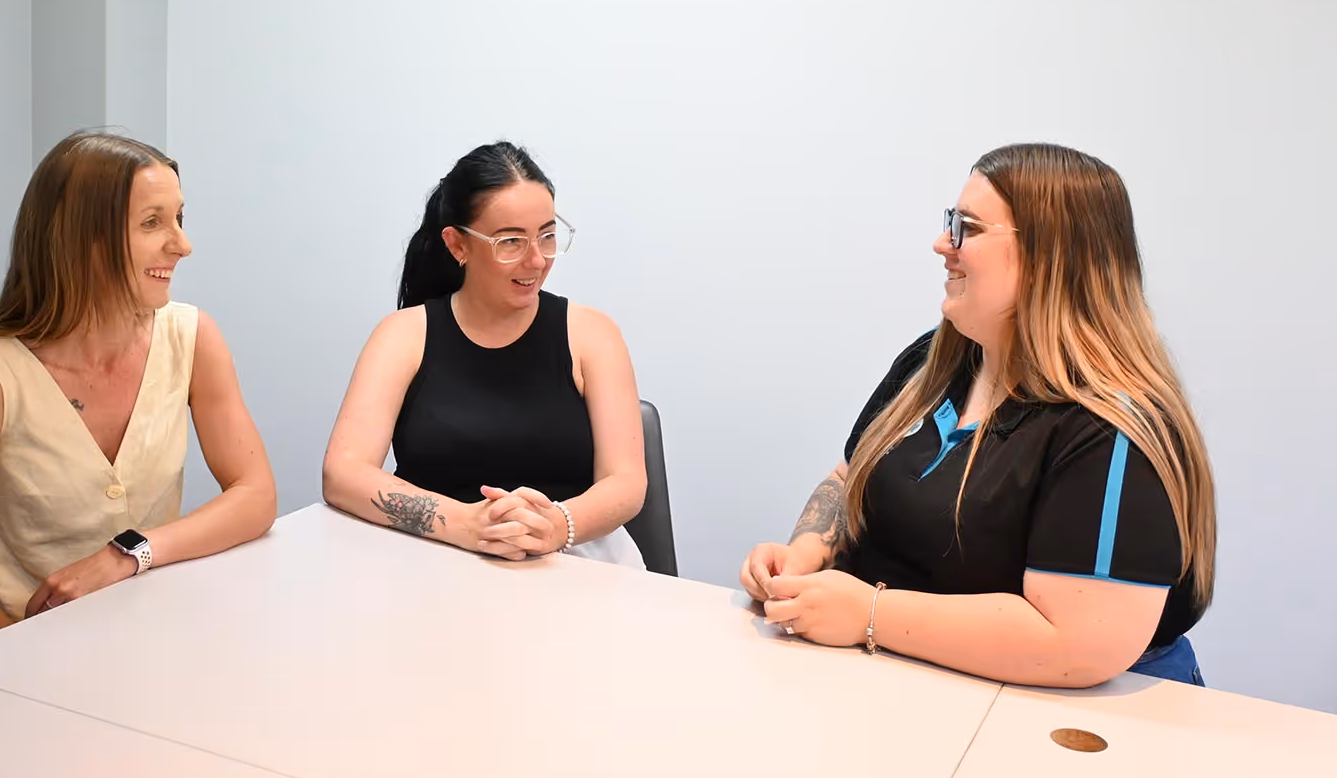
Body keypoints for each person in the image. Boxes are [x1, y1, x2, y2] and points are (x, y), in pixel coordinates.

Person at [741, 143, 1217, 687]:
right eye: (950, 222)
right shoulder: (936, 361)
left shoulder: (1110, 428)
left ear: (1050, 254)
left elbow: (1079, 647)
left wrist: (869, 615)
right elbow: (850, 479)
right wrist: (805, 555)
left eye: (966, 226)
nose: (943, 244)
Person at [0, 132, 278, 651]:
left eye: (179, 219)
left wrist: (127, 553)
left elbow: (256, 495)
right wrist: (33, 671)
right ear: (83, 241)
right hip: (7, 654)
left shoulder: (191, 337)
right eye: (152, 223)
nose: (182, 245)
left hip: (138, 641)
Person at [322, 141, 647, 567]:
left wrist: (555, 525)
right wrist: (465, 525)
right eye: (510, 242)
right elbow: (343, 472)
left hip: (573, 564)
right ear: (458, 245)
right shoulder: (403, 335)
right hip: (435, 561)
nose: (536, 260)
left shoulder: (592, 334)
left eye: (547, 236)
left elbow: (625, 482)